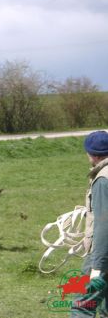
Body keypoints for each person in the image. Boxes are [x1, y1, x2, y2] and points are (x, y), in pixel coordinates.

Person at [71, 130, 108, 317]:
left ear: (92, 154)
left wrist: (97, 265)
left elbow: (104, 227)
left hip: (102, 255)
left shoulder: (102, 180)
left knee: (83, 305)